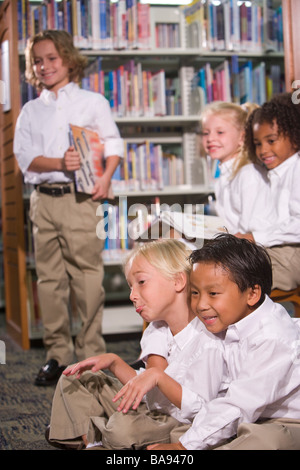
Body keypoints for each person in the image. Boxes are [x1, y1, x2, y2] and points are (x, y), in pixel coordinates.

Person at [13, 30, 124, 385]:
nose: (44, 66)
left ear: (68, 60)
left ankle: (91, 352)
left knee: (88, 277)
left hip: (82, 201)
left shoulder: (93, 102)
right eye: (37, 61)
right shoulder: (30, 110)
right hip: (43, 202)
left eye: (51, 59)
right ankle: (57, 354)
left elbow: (112, 143)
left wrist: (105, 178)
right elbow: (25, 159)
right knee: (49, 279)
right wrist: (60, 162)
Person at [46, 239, 225, 450]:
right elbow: (149, 390)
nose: (132, 295)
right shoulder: (156, 328)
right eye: (131, 286)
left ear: (178, 281)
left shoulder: (208, 338)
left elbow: (201, 411)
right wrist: (114, 362)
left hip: (180, 420)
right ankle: (92, 442)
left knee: (122, 430)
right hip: (150, 410)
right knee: (72, 378)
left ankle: (86, 432)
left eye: (141, 282)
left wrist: (157, 379)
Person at [148, 234, 300, 451]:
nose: (200, 305)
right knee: (185, 429)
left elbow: (239, 405)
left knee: (263, 440)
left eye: (213, 293)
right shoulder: (222, 322)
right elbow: (187, 375)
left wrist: (184, 447)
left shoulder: (272, 337)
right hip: (251, 416)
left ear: (252, 293)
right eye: (195, 293)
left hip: (287, 423)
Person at [235, 92, 300, 290]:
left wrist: (255, 237)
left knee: (234, 276)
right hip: (273, 248)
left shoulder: (297, 169)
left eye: (271, 141)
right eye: (257, 144)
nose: (263, 150)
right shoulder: (268, 174)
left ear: (295, 137)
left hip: (293, 253)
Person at [200, 101, 267, 234]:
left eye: (220, 132)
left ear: (242, 137)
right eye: (206, 133)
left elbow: (250, 231)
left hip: (250, 249)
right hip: (234, 245)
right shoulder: (223, 178)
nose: (210, 138)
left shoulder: (249, 175)